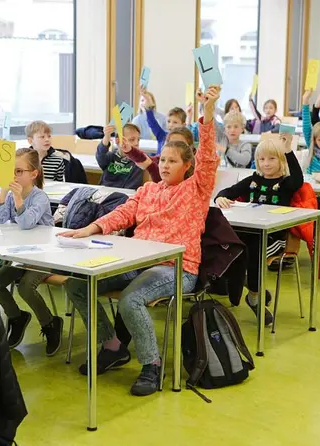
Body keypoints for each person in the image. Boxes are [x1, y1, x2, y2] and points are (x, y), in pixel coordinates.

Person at [59, 85, 221, 397]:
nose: (165, 166)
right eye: (163, 161)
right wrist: (90, 229)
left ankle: (152, 364)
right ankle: (113, 345)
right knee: (77, 285)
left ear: (187, 167)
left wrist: (209, 113)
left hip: (175, 268)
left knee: (131, 298)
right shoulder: (147, 191)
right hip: (137, 263)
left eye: (173, 162)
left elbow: (208, 158)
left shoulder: (196, 190)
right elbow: (121, 214)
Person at [215, 132, 303, 325]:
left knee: (252, 252)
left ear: (282, 161)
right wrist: (220, 197)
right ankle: (247, 282)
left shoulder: (286, 183)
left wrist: (288, 150)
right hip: (251, 232)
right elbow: (229, 191)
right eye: (261, 159)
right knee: (228, 245)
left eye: (272, 159)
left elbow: (298, 180)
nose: (266, 163)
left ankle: (254, 297)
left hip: (274, 237)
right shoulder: (253, 180)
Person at [0, 148, 63, 355]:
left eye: (19, 171)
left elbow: (27, 223)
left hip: (45, 254)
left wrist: (19, 199)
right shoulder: (11, 195)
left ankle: (50, 323)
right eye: (11, 171)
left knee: (25, 288)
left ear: (33, 174)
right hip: (21, 253)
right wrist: (3, 193)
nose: (15, 176)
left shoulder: (40, 197)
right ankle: (16, 317)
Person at [124, 128, 194, 183]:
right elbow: (145, 159)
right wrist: (130, 150)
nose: (165, 166)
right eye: (170, 143)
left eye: (180, 145)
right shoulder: (158, 160)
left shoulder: (197, 171)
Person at [140, 87, 188, 154]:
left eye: (175, 122)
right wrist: (147, 101)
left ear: (183, 125)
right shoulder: (162, 136)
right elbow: (152, 122)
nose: (171, 125)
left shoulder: (184, 141)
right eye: (169, 121)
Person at [96, 123, 144, 189]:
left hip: (121, 197)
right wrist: (106, 137)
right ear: (118, 141)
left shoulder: (139, 163)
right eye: (132, 140)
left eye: (138, 140)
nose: (136, 143)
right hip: (102, 194)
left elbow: (131, 190)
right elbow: (100, 155)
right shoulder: (111, 157)